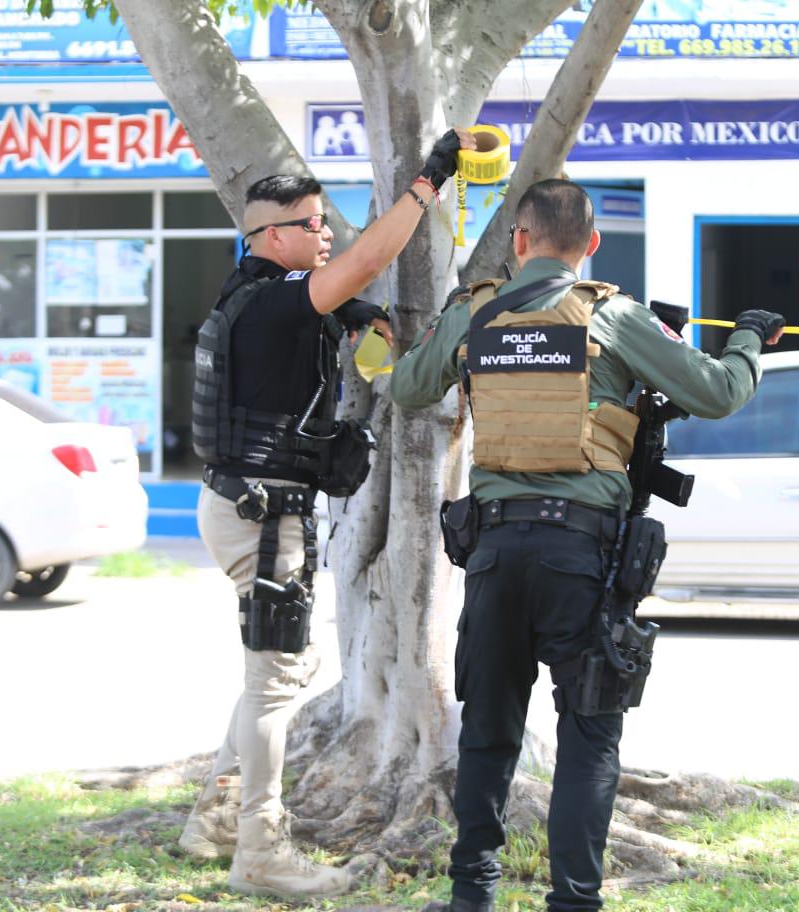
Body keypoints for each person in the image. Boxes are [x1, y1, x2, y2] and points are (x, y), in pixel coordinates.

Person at [388, 178, 785, 912]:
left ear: (519, 240)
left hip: (497, 555)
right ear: (591, 244)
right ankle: (574, 902)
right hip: (583, 557)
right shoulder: (614, 315)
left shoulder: (476, 312)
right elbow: (721, 392)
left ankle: (471, 894)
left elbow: (408, 387)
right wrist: (751, 337)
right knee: (590, 731)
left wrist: (443, 327)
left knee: (489, 730)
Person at [180, 127, 473, 900]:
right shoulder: (279, 301)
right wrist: (428, 182)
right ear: (272, 234)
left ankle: (215, 816)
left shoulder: (247, 294)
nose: (325, 235)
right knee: (276, 682)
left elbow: (307, 319)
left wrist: (341, 319)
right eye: (312, 225)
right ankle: (259, 849)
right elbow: (369, 260)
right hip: (264, 517)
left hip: (242, 506)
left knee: (276, 672)